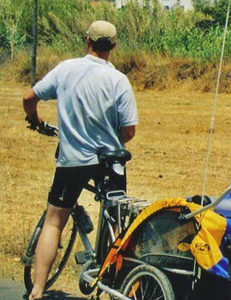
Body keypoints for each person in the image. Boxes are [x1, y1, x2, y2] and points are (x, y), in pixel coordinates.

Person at [23, 20, 137, 300]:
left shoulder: (66, 69)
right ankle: (113, 284)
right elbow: (129, 131)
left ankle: (37, 291)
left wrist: (35, 120)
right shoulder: (118, 80)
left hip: (72, 159)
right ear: (113, 46)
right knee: (116, 222)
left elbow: (29, 98)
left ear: (87, 41)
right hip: (110, 161)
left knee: (54, 222)